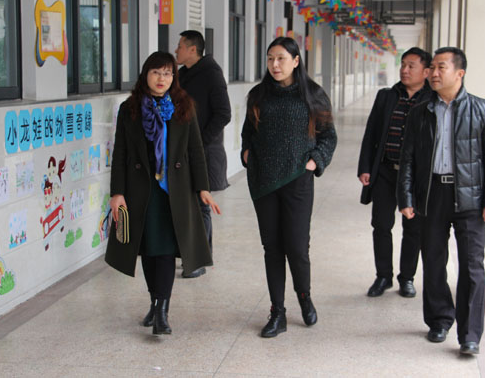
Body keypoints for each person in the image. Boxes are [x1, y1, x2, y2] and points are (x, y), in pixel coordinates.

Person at [397, 47, 485, 355]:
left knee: (472, 267)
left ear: (460, 73)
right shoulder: (420, 112)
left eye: (440, 67)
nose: (433, 73)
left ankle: (470, 334)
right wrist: (406, 197)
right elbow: (408, 158)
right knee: (433, 261)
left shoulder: (482, 110)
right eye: (432, 67)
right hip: (432, 195)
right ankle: (439, 320)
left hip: (470, 197)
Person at [105, 51, 221, 335]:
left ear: (174, 77)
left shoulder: (184, 106)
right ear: (146, 74)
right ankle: (154, 302)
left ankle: (162, 311)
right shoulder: (130, 108)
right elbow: (120, 153)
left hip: (174, 192)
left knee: (166, 250)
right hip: (142, 191)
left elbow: (195, 150)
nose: (162, 78)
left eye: (168, 73)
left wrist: (203, 187)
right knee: (148, 249)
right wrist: (117, 193)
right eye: (156, 72)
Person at [241, 37, 337, 338]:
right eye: (270, 58)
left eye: (281, 58)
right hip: (264, 182)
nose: (275, 64)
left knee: (296, 247)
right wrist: (246, 153)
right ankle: (278, 312)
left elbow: (328, 136)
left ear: (296, 61)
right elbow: (248, 133)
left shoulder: (313, 95)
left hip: (297, 180)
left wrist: (315, 161)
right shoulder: (258, 95)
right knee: (272, 248)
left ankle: (304, 296)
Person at [357, 47, 432, 298]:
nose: (405, 70)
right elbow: (371, 133)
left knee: (413, 228)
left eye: (411, 66)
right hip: (386, 171)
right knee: (381, 224)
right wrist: (365, 167)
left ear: (426, 72)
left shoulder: (432, 100)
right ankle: (383, 276)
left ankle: (407, 278)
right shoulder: (386, 96)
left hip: (415, 177)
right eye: (403, 64)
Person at [176, 30, 231, 278]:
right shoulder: (182, 75)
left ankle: (199, 260)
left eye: (180, 46)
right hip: (183, 150)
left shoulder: (211, 74)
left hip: (205, 151)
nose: (176, 50)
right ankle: (193, 255)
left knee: (201, 205)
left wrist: (201, 141)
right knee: (190, 205)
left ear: (192, 49)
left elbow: (224, 113)